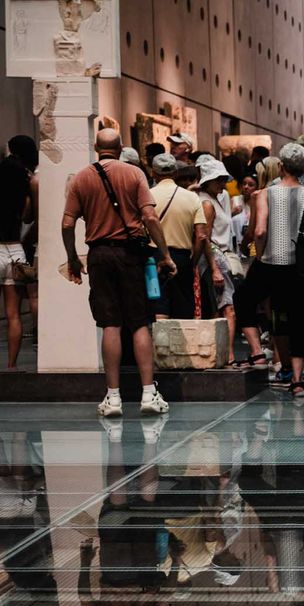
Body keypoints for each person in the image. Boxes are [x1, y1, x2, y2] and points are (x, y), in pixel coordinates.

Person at [62, 129, 175, 416]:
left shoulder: (81, 178)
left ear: (95, 147)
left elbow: (67, 224)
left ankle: (113, 398)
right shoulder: (134, 174)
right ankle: (148, 394)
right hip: (130, 254)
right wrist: (164, 254)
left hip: (99, 254)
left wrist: (73, 258)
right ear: (122, 146)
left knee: (110, 324)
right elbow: (149, 216)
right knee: (138, 323)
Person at [251, 142, 304, 397]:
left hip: (275, 265)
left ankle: (284, 368)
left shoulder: (265, 194)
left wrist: (259, 259)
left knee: (279, 318)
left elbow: (260, 231)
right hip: (303, 268)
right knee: (302, 319)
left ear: (281, 166)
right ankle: (298, 380)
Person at [148, 154, 212, 320]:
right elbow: (201, 235)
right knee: (183, 309)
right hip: (182, 258)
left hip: (153, 257)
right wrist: (193, 261)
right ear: (175, 173)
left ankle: (160, 345)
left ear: (153, 173)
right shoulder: (192, 198)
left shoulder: (147, 196)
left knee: (158, 306)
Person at [196, 159, 238, 363]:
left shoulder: (215, 199)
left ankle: (222, 354)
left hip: (217, 256)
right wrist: (214, 268)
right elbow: (204, 237)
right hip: (213, 257)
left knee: (221, 307)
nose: (223, 184)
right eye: (219, 180)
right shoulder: (206, 203)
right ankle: (226, 354)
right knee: (226, 308)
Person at [1, 148, 34, 369]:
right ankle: (11, 366)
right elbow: (27, 218)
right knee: (13, 315)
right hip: (15, 251)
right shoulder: (23, 195)